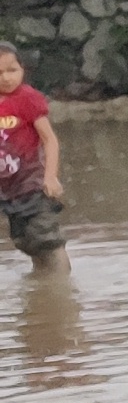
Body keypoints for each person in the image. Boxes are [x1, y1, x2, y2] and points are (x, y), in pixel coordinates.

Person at [0, 40, 62, 269]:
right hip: (5, 187)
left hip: (31, 181)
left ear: (22, 70)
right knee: (26, 240)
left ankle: (60, 287)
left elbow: (49, 140)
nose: (6, 78)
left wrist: (50, 177)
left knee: (46, 238)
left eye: (12, 70)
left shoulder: (27, 98)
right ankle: (40, 285)